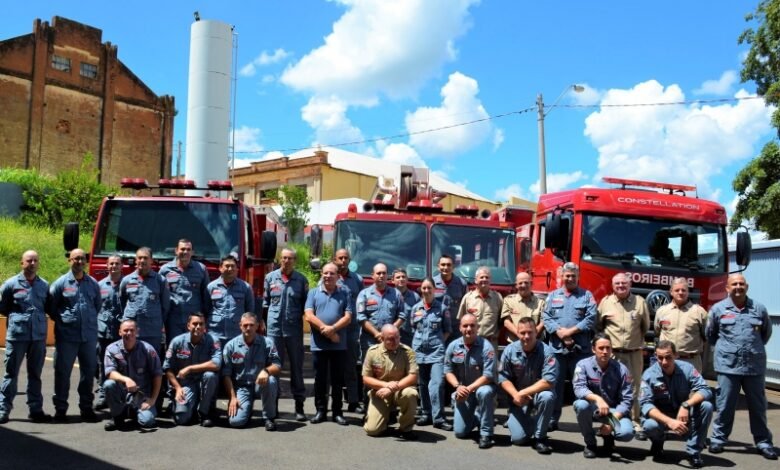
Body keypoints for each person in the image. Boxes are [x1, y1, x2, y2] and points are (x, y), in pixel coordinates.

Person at [707, 274, 776, 460]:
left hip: (754, 367)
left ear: (747, 286)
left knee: (758, 407)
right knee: (725, 405)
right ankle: (719, 439)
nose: (738, 286)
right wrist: (728, 350)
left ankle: (763, 442)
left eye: (741, 283)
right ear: (727, 288)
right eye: (734, 284)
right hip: (728, 367)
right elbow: (711, 335)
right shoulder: (718, 309)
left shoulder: (759, 309)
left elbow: (765, 334)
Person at [640, 340, 713, 468]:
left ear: (676, 355)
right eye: (660, 358)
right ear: (655, 357)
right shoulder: (649, 375)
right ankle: (658, 442)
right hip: (661, 416)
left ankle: (694, 452)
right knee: (649, 425)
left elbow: (705, 389)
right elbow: (646, 404)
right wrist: (669, 421)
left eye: (668, 357)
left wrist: (686, 405)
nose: (664, 362)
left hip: (682, 412)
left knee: (706, 407)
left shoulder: (687, 369)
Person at [542, 262, 597, 431]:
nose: (570, 278)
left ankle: (586, 421)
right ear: (562, 277)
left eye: (573, 276)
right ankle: (552, 419)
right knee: (554, 385)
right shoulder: (552, 296)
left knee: (582, 386)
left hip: (580, 351)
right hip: (557, 350)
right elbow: (546, 317)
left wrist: (570, 332)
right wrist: (559, 332)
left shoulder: (587, 296)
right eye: (567, 275)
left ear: (578, 277)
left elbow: (591, 318)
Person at [49, 248, 102, 423]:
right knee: (62, 374)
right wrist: (66, 323)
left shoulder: (93, 283)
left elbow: (97, 306)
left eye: (82, 258)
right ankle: (61, 410)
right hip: (67, 337)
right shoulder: (60, 284)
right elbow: (51, 308)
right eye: (75, 259)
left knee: (88, 373)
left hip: (88, 337)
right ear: (69, 261)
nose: (79, 262)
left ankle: (86, 408)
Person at [0, 250, 53, 424]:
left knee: (35, 375)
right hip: (17, 337)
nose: (32, 263)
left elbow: (48, 307)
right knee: (11, 374)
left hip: (37, 337)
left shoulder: (44, 285)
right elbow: (3, 308)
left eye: (35, 261)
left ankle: (36, 410)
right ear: (21, 263)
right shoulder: (10, 284)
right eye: (29, 260)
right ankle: (3, 409)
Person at [597, 273, 649, 436]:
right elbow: (599, 326)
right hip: (611, 354)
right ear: (613, 286)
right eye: (617, 283)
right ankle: (608, 418)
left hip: (634, 353)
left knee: (634, 387)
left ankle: (635, 421)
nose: (621, 286)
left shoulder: (640, 302)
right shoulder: (605, 303)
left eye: (624, 283)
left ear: (630, 284)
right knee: (609, 386)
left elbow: (645, 326)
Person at [498, 316, 558, 454]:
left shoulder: (547, 351)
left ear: (536, 332)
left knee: (547, 396)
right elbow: (502, 376)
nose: (526, 336)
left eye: (530, 332)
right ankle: (534, 422)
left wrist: (522, 392)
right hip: (518, 400)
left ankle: (540, 438)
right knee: (519, 439)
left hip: (537, 395)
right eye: (522, 333)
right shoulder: (509, 350)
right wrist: (515, 395)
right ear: (517, 333)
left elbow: (548, 380)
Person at [263, 247, 309, 421]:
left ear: (295, 261)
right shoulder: (270, 278)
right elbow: (265, 306)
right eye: (284, 258)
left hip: (294, 332)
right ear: (279, 259)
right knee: (274, 368)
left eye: (290, 258)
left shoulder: (301, 281)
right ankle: (272, 406)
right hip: (274, 331)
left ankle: (299, 407)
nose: (287, 261)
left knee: (297, 369)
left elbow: (306, 308)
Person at [304, 262, 352, 425]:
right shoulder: (313, 293)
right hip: (319, 344)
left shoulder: (345, 292)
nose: (328, 276)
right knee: (320, 379)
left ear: (338, 276)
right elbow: (309, 315)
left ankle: (337, 412)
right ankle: (321, 411)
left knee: (337, 380)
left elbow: (348, 317)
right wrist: (327, 331)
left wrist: (333, 329)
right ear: (321, 275)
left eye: (332, 273)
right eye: (325, 273)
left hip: (339, 345)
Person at [573, 333, 635, 458]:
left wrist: (611, 422)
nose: (605, 352)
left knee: (626, 433)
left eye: (608, 348)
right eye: (601, 348)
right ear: (593, 349)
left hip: (613, 411)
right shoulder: (583, 365)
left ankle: (608, 436)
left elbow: (627, 400)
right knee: (580, 405)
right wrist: (597, 399)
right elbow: (579, 388)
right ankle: (590, 443)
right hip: (593, 408)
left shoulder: (622, 369)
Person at [444, 313, 497, 449]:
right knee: (460, 432)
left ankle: (486, 433)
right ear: (460, 328)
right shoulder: (453, 346)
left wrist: (469, 388)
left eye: (472, 325)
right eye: (465, 325)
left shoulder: (487, 347)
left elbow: (488, 375)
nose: (469, 328)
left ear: (478, 327)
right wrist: (458, 387)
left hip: (482, 388)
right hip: (463, 391)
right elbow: (448, 371)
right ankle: (479, 417)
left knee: (484, 392)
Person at [221, 313, 281, 430]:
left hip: (260, 384)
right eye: (245, 325)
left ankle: (268, 418)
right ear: (240, 326)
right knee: (236, 422)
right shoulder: (231, 346)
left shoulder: (267, 342)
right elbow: (226, 375)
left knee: (271, 380)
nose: (248, 328)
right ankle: (246, 411)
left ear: (257, 326)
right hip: (242, 387)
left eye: (251, 325)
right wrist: (232, 397)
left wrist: (266, 370)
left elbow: (277, 365)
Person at [103, 319, 163, 430]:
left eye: (132, 330)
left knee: (148, 421)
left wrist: (153, 399)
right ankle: (117, 417)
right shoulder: (111, 349)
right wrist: (126, 379)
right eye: (125, 330)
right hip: (122, 392)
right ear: (120, 332)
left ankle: (133, 411)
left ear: (137, 332)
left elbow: (157, 374)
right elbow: (109, 372)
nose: (129, 333)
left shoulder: (148, 349)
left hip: (142, 394)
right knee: (108, 384)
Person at [163, 313, 221, 427]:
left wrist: (189, 368)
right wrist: (178, 388)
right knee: (182, 419)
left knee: (211, 376)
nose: (198, 326)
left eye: (201, 324)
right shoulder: (177, 341)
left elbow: (217, 364)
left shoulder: (213, 341)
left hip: (203, 381)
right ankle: (190, 407)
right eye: (195, 324)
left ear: (205, 326)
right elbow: (167, 368)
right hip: (186, 383)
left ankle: (204, 413)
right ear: (188, 326)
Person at [362, 324, 419, 440]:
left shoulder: (408, 352)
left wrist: (392, 388)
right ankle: (384, 421)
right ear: (382, 338)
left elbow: (413, 376)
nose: (395, 341)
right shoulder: (372, 352)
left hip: (401, 390)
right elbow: (366, 378)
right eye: (390, 339)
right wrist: (386, 385)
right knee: (372, 430)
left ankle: (406, 428)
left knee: (411, 394)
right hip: (380, 392)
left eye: (397, 337)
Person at [410, 277, 452, 430]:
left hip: (436, 352)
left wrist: (438, 341)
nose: (426, 291)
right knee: (422, 384)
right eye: (424, 288)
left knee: (437, 383)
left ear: (434, 289)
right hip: (419, 351)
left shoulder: (442, 309)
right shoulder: (416, 309)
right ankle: (426, 414)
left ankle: (439, 418)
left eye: (429, 288)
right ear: (421, 290)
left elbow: (448, 330)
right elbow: (413, 327)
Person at [119, 247, 170, 353]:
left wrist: (157, 322)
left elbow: (165, 307)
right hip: (131, 331)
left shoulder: (160, 280)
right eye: (140, 258)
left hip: (152, 331)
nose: (142, 261)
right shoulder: (126, 280)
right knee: (130, 359)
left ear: (151, 260)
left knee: (152, 361)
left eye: (145, 258)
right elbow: (122, 303)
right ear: (136, 260)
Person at [333, 248, 365, 413]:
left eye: (346, 258)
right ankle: (330, 403)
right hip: (334, 330)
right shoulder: (329, 277)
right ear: (335, 259)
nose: (343, 261)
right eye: (340, 258)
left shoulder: (357, 280)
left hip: (351, 330)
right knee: (332, 368)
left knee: (351, 367)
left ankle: (353, 401)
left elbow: (361, 303)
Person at [159, 239, 209, 340]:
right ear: (176, 251)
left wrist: (205, 320)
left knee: (194, 349)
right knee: (174, 349)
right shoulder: (165, 270)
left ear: (192, 252)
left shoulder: (201, 269)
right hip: (173, 320)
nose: (185, 252)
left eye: (188, 249)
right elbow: (159, 296)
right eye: (182, 249)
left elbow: (206, 297)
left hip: (194, 321)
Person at [654, 278, 708, 371]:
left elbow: (706, 337)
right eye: (677, 290)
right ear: (671, 292)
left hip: (691, 362)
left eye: (683, 290)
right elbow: (657, 332)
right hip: (667, 361)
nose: (680, 292)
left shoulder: (699, 312)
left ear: (688, 292)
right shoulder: (662, 311)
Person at [357, 263, 404, 365]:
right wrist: (377, 334)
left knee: (390, 372)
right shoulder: (364, 294)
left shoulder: (396, 294)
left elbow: (402, 316)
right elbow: (361, 317)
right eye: (378, 273)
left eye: (384, 273)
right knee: (370, 373)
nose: (381, 276)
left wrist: (389, 333)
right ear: (372, 275)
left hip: (391, 342)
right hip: (369, 341)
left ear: (387, 276)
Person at [205, 255, 255, 346]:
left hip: (237, 335)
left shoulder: (245, 288)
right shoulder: (211, 287)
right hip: (215, 335)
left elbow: (250, 312)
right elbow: (205, 310)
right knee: (216, 360)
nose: (230, 269)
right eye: (227, 266)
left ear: (237, 269)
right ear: (220, 268)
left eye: (233, 266)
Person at [95, 254, 123, 410]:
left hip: (121, 333)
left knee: (122, 365)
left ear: (121, 266)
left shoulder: (126, 284)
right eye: (111, 264)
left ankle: (121, 394)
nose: (114, 266)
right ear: (107, 266)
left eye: (117, 264)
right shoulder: (99, 286)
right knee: (103, 366)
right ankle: (103, 395)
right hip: (104, 332)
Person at [457, 267, 502, 351]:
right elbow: (461, 320)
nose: (484, 279)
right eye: (481, 277)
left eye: (487, 277)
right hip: (471, 342)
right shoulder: (467, 298)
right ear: (476, 280)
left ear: (490, 281)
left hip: (491, 343)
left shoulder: (498, 298)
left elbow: (502, 321)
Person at [501, 272, 546, 343]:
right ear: (516, 285)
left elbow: (544, 322)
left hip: (535, 344)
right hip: (515, 344)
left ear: (531, 284)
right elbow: (506, 322)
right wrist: (520, 335)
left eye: (526, 282)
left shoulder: (541, 303)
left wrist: (532, 336)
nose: (523, 285)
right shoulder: (508, 301)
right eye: (520, 283)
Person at [433, 254, 468, 338]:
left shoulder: (461, 284)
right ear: (438, 267)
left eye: (449, 265)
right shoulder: (432, 283)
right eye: (443, 265)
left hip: (455, 329)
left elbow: (466, 306)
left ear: (453, 267)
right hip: (438, 327)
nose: (446, 267)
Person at [393, 268, 420, 347]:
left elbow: (419, 317)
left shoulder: (415, 297)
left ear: (407, 279)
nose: (401, 279)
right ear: (392, 280)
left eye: (403, 277)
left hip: (409, 338)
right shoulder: (388, 296)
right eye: (398, 277)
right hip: (392, 337)